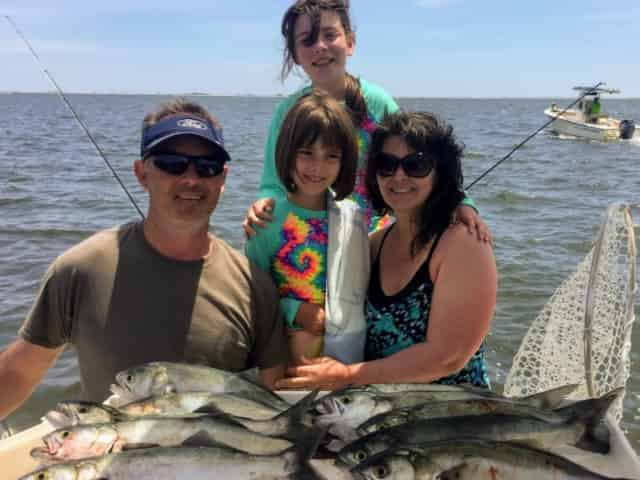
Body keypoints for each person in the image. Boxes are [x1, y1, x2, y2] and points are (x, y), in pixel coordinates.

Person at [0, 99, 288, 419]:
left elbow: (274, 392)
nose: (191, 179)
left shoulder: (253, 284)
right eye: (171, 163)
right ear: (141, 173)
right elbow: (20, 373)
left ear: (222, 178)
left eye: (207, 167)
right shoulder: (79, 269)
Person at [276, 111, 497, 391]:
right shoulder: (373, 245)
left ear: (440, 172)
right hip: (377, 405)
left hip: (450, 412)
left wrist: (346, 375)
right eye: (386, 164)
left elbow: (447, 357)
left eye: (416, 165)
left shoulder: (463, 243)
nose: (399, 176)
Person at [244, 0, 490, 240]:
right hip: (307, 238)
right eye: (307, 40)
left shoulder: (377, 102)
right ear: (295, 54)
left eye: (330, 35)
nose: (319, 46)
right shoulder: (287, 112)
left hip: (372, 237)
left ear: (350, 43)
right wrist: (263, 203)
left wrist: (461, 201)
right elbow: (272, 183)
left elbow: (422, 158)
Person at [246, 92, 369, 367]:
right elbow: (252, 298)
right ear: (287, 153)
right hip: (285, 364)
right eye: (306, 153)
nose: (317, 167)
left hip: (344, 359)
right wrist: (296, 311)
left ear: (345, 161)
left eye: (331, 156)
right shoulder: (266, 221)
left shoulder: (353, 218)